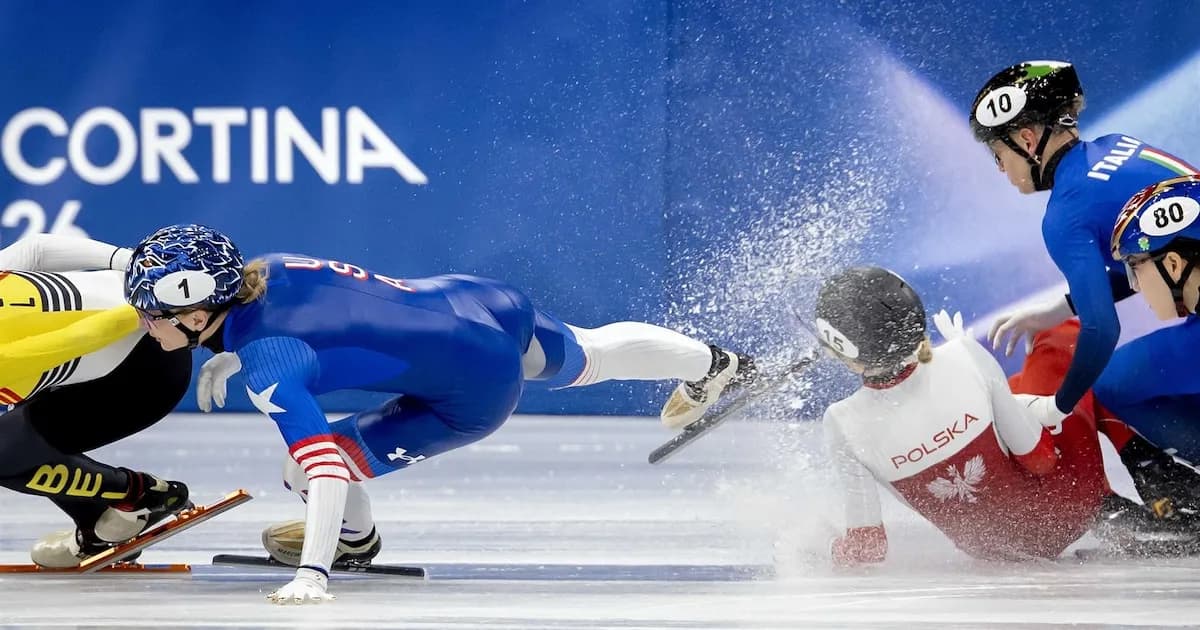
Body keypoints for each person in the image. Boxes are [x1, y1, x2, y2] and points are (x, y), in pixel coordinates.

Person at [122, 224, 755, 604]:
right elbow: (329, 317)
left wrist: (312, 576)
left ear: (199, 311)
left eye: (151, 311)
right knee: (588, 353)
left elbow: (322, 471)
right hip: (474, 300)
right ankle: (715, 364)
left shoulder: (269, 363)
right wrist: (227, 355)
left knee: (300, 468)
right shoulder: (270, 268)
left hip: (472, 392)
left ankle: (350, 546)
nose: (145, 323)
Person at [817, 267, 1193, 567]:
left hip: (995, 550)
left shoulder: (841, 422)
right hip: (1071, 504)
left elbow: (867, 548)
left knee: (1016, 386)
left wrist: (815, 549)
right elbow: (1042, 460)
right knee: (1065, 339)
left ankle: (1124, 503)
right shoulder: (962, 357)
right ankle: (1157, 478)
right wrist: (1026, 405)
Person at [969, 60, 1200, 511]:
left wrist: (1057, 405)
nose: (1001, 170)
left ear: (1028, 139)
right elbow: (1171, 249)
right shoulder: (1120, 146)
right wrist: (1063, 307)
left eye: (999, 155)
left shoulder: (1065, 213)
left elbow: (1101, 330)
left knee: (1105, 382)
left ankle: (1173, 493)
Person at [0, 234, 193, 568]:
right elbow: (36, 249)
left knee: (6, 451)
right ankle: (98, 520)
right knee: (17, 440)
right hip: (129, 338)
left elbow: (74, 339)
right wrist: (133, 265)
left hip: (142, 376)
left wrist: (139, 308)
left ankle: (143, 495)